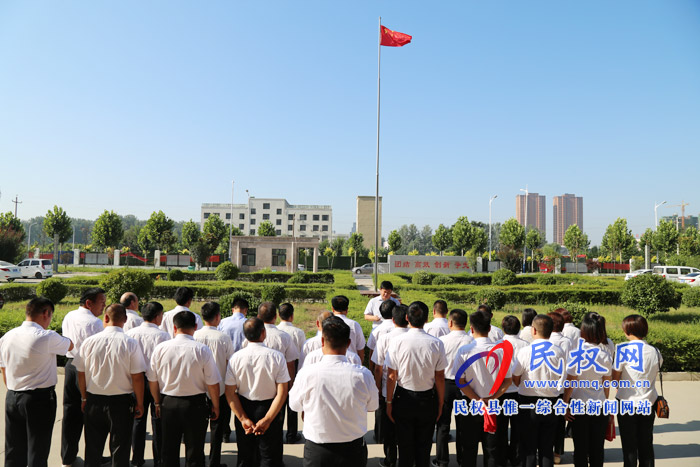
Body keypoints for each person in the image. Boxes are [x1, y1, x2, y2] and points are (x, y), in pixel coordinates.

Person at [289, 316, 379, 467]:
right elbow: (373, 406)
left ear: (322, 341)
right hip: (353, 450)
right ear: (349, 343)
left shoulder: (307, 373)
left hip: (318, 451)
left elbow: (295, 406)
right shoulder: (363, 374)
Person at [0, 297, 73, 467]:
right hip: (39, 399)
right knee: (37, 448)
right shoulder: (46, 336)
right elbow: (70, 345)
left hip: (12, 395)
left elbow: (4, 368)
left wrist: (13, 388)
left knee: (13, 447)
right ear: (46, 313)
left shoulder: (7, 336)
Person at [74, 303, 147, 467]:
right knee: (120, 449)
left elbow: (81, 372)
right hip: (121, 403)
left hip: (94, 401)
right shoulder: (130, 343)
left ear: (105, 318)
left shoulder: (89, 342)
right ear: (125, 320)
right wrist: (140, 403)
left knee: (93, 448)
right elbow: (137, 377)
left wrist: (84, 397)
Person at [148, 311, 221, 467]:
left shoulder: (160, 349)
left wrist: (157, 403)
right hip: (196, 405)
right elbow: (212, 382)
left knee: (169, 449)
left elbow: (152, 380)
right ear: (195, 327)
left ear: (174, 327)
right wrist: (215, 405)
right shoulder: (202, 350)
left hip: (168, 402)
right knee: (195, 450)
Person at [386, 301, 447, 467]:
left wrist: (389, 402)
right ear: (426, 319)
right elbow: (440, 377)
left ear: (407, 318)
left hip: (403, 397)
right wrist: (440, 402)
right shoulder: (436, 343)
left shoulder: (397, 342)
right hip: (427, 399)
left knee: (404, 447)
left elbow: (391, 376)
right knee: (424, 446)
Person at [225, 317, 290, 466]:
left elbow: (230, 392)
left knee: (245, 455)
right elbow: (282, 392)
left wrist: (242, 419)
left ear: (245, 334)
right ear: (263, 332)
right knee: (269, 455)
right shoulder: (276, 357)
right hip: (269, 408)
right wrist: (267, 419)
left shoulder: (236, 358)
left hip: (243, 406)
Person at [452, 310, 512, 467]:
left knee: (469, 448)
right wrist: (492, 398)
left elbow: (460, 381)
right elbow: (508, 380)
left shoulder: (465, 351)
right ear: (490, 329)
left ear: (471, 329)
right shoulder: (501, 351)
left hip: (471, 405)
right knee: (491, 449)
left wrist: (477, 399)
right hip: (492, 405)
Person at [512, 315, 567, 467]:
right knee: (547, 447)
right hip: (551, 402)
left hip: (528, 403)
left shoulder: (525, 352)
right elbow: (563, 377)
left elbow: (515, 379)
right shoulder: (559, 352)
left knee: (528, 448)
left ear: (533, 330)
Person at [61, 287, 106, 467]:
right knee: (92, 415)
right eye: (102, 303)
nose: (104, 307)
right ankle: (93, 458)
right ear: (89, 303)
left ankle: (68, 457)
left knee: (70, 412)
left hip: (70, 366)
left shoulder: (69, 316)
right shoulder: (95, 323)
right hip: (87, 370)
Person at [562, 312, 612, 467]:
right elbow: (606, 384)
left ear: (583, 331)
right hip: (599, 406)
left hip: (579, 406)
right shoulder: (605, 354)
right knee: (597, 449)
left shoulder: (577, 355)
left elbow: (570, 383)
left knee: (581, 449)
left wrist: (565, 405)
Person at [612, 314, 662, 467]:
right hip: (648, 402)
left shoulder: (622, 350)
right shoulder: (655, 351)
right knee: (646, 443)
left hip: (627, 402)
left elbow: (615, 379)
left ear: (627, 330)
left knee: (629, 446)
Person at [126, 301, 170, 467]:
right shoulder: (163, 336)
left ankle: (137, 459)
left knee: (138, 418)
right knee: (158, 419)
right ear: (157, 316)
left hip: (136, 380)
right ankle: (159, 459)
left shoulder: (130, 333)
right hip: (156, 382)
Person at [194, 302, 234, 467]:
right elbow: (229, 362)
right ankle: (214, 462)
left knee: (197, 430)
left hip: (197, 389)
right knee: (217, 430)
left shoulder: (194, 336)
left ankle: (198, 460)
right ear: (218, 317)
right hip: (220, 389)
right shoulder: (223, 338)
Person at [433, 309, 473, 467]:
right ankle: (463, 459)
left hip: (446, 385)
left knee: (443, 424)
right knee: (464, 425)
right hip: (466, 387)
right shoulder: (472, 341)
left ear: (450, 323)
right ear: (467, 324)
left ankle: (442, 460)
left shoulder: (441, 341)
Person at [371, 304, 409, 467]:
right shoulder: (415, 337)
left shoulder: (385, 338)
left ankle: (390, 459)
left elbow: (378, 368)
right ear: (408, 319)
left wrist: (378, 389)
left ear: (393, 320)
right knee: (408, 430)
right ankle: (407, 459)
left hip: (389, 390)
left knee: (390, 430)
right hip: (410, 389)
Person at [499, 315, 530, 467]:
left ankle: (502, 457)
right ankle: (516, 457)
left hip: (502, 392)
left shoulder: (498, 345)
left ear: (503, 328)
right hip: (520, 392)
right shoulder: (526, 345)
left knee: (502, 428)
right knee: (518, 428)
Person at [277, 303, 306, 444]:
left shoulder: (274, 331)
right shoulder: (298, 332)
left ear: (278, 315)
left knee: (279, 401)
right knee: (292, 403)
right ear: (292, 315)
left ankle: (277, 432)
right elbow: (302, 354)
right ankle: (291, 434)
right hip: (293, 366)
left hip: (277, 369)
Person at [548, 312, 572, 464]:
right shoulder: (567, 341)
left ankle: (544, 450)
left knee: (544, 421)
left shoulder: (544, 339)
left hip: (542, 386)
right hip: (561, 386)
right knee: (558, 422)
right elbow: (569, 366)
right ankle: (557, 453)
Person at [331, 295, 366, 361]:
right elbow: (360, 348)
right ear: (347, 309)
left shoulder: (327, 324)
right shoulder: (354, 325)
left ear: (332, 309)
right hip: (352, 363)